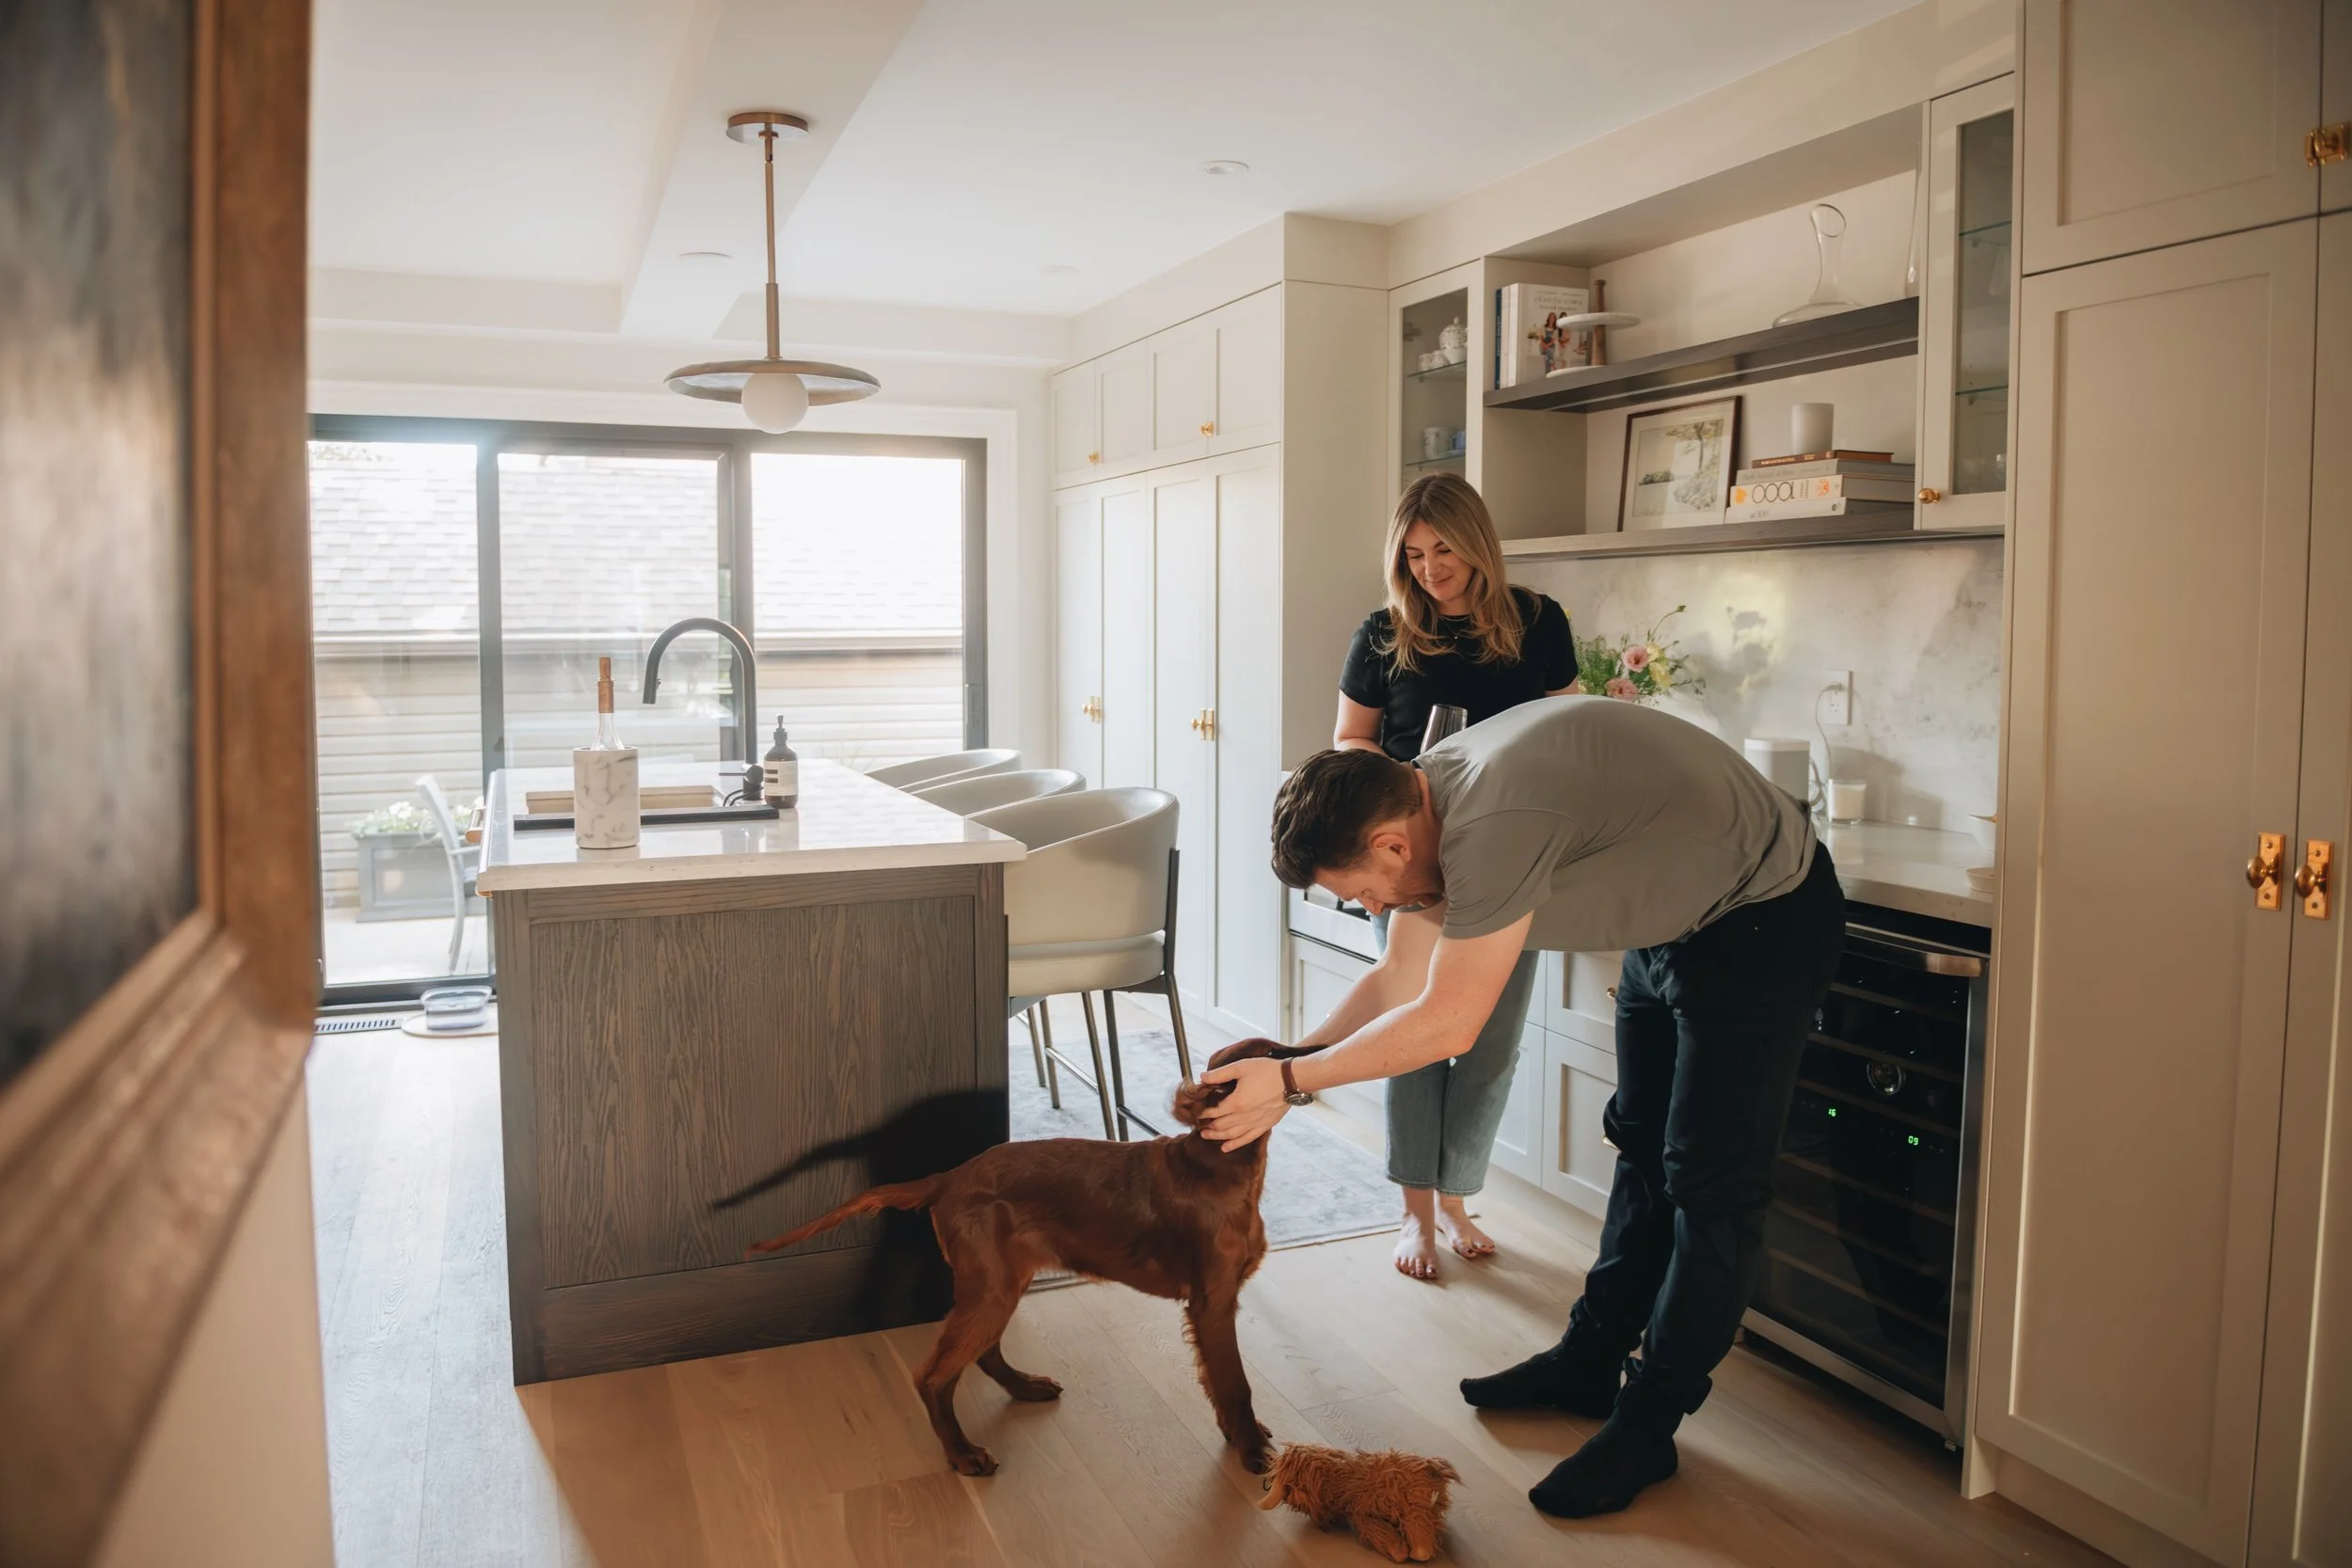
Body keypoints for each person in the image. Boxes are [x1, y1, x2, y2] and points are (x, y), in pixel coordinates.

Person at [1201, 698, 1845, 1519]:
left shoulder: (1492, 821)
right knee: (1644, 1147)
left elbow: (1448, 1022)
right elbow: (1401, 979)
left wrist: (1295, 1086)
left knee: (1713, 1185)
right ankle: (1589, 1361)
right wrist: (1292, 1058)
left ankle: (1648, 1424)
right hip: (1671, 929)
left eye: (1361, 891)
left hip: (1763, 919)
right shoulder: (1415, 801)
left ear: (1392, 843)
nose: (1370, 907)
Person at [1332, 472, 1577, 1280]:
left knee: (1489, 1040)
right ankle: (1415, 1211)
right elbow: (1348, 742)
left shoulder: (1538, 623)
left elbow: (1570, 729)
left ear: (1476, 542)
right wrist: (1405, 788)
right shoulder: (1382, 632)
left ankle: (1458, 1194)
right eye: (1414, 553)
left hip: (1512, 854)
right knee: (1414, 1032)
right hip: (1410, 858)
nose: (1431, 568)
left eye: (1443, 550)